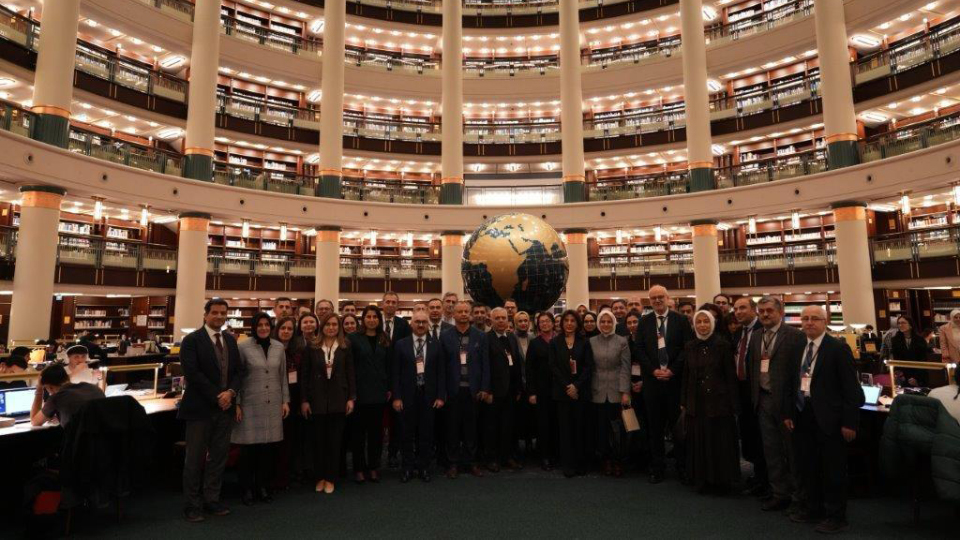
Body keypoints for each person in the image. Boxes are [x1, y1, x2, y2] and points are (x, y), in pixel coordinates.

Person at [785, 306, 864, 534]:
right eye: (805, 319)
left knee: (833, 469)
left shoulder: (837, 348)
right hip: (802, 414)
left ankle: (836, 516)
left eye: (814, 319)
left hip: (830, 418)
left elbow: (851, 389)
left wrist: (850, 423)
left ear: (825, 321)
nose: (809, 323)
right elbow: (792, 383)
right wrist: (788, 412)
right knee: (807, 466)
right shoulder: (798, 347)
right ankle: (813, 508)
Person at [179, 298, 244, 522]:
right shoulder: (191, 340)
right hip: (200, 409)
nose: (219, 316)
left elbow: (238, 371)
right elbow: (193, 373)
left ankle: (211, 499)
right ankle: (192, 504)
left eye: (223, 313)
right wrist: (218, 396)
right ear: (206, 314)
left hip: (225, 409)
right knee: (195, 458)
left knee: (218, 457)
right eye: (215, 312)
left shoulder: (230, 340)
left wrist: (231, 393)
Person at [749, 296, 805, 513]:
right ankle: (779, 493)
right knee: (771, 450)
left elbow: (798, 374)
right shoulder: (756, 337)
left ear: (780, 312)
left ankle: (799, 496)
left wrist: (793, 405)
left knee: (793, 451)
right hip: (763, 400)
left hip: (786, 403)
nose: (764, 314)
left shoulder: (795, 336)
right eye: (761, 311)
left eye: (769, 311)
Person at [637, 285, 694, 484]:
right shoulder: (644, 322)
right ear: (649, 301)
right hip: (653, 385)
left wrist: (672, 370)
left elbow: (687, 348)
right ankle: (658, 467)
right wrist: (653, 370)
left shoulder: (681, 321)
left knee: (678, 430)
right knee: (655, 429)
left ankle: (682, 467)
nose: (657, 300)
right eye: (653, 298)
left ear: (668, 298)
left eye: (661, 297)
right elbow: (640, 350)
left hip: (674, 384)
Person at [233, 313, 289, 506]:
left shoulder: (279, 347)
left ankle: (263, 487)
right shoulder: (243, 347)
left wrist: (285, 401)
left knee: (267, 449)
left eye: (267, 324)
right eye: (260, 325)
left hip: (273, 402)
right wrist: (237, 403)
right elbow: (237, 377)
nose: (264, 328)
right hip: (250, 403)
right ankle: (246, 489)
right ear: (254, 326)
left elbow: (283, 377)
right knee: (248, 450)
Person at [681, 310, 740, 493]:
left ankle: (721, 481)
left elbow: (730, 376)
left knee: (719, 441)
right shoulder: (690, 346)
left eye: (706, 321)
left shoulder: (722, 345)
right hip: (696, 402)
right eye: (699, 322)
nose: (702, 325)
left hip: (719, 402)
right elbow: (686, 375)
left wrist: (734, 403)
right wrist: (684, 400)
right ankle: (702, 479)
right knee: (699, 440)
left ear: (713, 324)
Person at [300, 313, 356, 495]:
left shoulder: (345, 346)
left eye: (335, 324)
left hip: (338, 399)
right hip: (316, 400)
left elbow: (351, 374)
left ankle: (331, 478)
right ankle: (320, 477)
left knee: (334, 442)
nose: (331, 327)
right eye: (328, 324)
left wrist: (351, 398)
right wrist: (304, 401)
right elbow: (305, 376)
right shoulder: (312, 347)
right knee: (318, 442)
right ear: (321, 326)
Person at [392, 311, 446, 482]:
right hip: (407, 396)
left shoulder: (436, 344)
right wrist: (397, 397)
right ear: (411, 324)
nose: (421, 325)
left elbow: (441, 373)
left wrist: (440, 396)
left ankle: (424, 467)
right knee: (406, 434)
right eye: (417, 322)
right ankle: (407, 468)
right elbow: (395, 374)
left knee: (426, 434)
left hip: (429, 397)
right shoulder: (401, 344)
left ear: (428, 324)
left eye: (424, 322)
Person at [441, 300, 490, 479]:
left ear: (470, 315)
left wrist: (485, 387)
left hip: (473, 390)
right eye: (459, 311)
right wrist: (442, 391)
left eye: (465, 312)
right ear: (453, 314)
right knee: (452, 428)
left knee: (472, 428)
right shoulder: (445, 336)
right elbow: (442, 366)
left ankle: (471, 462)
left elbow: (486, 364)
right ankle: (453, 463)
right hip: (452, 390)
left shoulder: (480, 336)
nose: (463, 314)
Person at [348, 306, 391, 484]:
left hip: (379, 393)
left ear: (379, 320)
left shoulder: (384, 338)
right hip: (359, 393)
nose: (371, 319)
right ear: (363, 319)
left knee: (376, 434)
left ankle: (373, 467)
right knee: (358, 434)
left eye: (375, 316)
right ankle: (359, 468)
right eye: (368, 316)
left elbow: (389, 365)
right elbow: (349, 367)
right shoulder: (353, 338)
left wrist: (389, 387)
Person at [550, 310, 594, 478]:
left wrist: (576, 386)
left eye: (572, 321)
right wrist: (567, 387)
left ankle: (580, 463)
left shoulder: (585, 342)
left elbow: (588, 367)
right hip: (562, 393)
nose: (569, 323)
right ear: (561, 324)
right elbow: (553, 367)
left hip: (580, 392)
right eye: (566, 320)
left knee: (580, 428)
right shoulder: (555, 342)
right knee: (565, 430)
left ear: (577, 324)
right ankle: (567, 464)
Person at [732, 297, 768, 498]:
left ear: (754, 310)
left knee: (762, 437)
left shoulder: (761, 331)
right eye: (736, 309)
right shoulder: (738, 333)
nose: (738, 312)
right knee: (749, 436)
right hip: (742, 391)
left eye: (743, 308)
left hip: (759, 393)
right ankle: (757, 475)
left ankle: (765, 479)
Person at [589, 310, 631, 477]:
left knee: (617, 429)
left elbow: (625, 368)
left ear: (613, 323)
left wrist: (625, 391)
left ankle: (617, 460)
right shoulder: (591, 341)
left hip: (616, 392)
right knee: (601, 429)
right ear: (598, 324)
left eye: (609, 322)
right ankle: (605, 460)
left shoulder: (622, 342)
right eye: (603, 321)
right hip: (597, 390)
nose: (606, 324)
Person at [485, 308, 524, 472]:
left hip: (511, 392)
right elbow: (485, 367)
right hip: (493, 392)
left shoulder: (512, 338)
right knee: (492, 427)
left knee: (508, 426)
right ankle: (492, 459)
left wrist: (518, 389)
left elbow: (516, 363)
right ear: (491, 321)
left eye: (504, 318)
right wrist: (487, 390)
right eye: (497, 318)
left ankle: (507, 457)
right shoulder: (486, 339)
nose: (501, 321)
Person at [274, 316, 307, 488]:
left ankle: (293, 473)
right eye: (283, 328)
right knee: (278, 440)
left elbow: (302, 377)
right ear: (277, 330)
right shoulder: (271, 349)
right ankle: (279, 477)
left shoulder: (298, 351)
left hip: (295, 399)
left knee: (294, 439)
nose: (286, 331)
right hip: (275, 400)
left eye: (289, 329)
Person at [382, 291, 411, 468]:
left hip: (398, 378)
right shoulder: (375, 323)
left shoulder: (403, 325)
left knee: (397, 421)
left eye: (394, 302)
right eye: (388, 302)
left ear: (398, 306)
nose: (391, 305)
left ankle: (393, 453)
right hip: (378, 379)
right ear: (382, 304)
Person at [526, 312, 558, 470]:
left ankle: (557, 454)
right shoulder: (535, 343)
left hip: (559, 390)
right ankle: (544, 456)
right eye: (542, 322)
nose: (545, 324)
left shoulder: (560, 340)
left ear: (553, 323)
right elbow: (529, 369)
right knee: (543, 424)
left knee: (557, 423)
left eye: (547, 321)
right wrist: (531, 392)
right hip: (541, 390)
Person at [30, 363, 105, 428]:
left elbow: (34, 422)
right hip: (106, 439)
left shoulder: (56, 398)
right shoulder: (93, 388)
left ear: (49, 387)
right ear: (67, 377)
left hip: (80, 442)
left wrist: (39, 390)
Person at [891, 316, 930, 387]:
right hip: (902, 374)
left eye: (903, 323)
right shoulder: (895, 340)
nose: (900, 325)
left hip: (918, 373)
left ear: (911, 325)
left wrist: (916, 378)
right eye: (899, 323)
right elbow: (896, 359)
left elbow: (923, 360)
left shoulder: (920, 340)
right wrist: (901, 375)